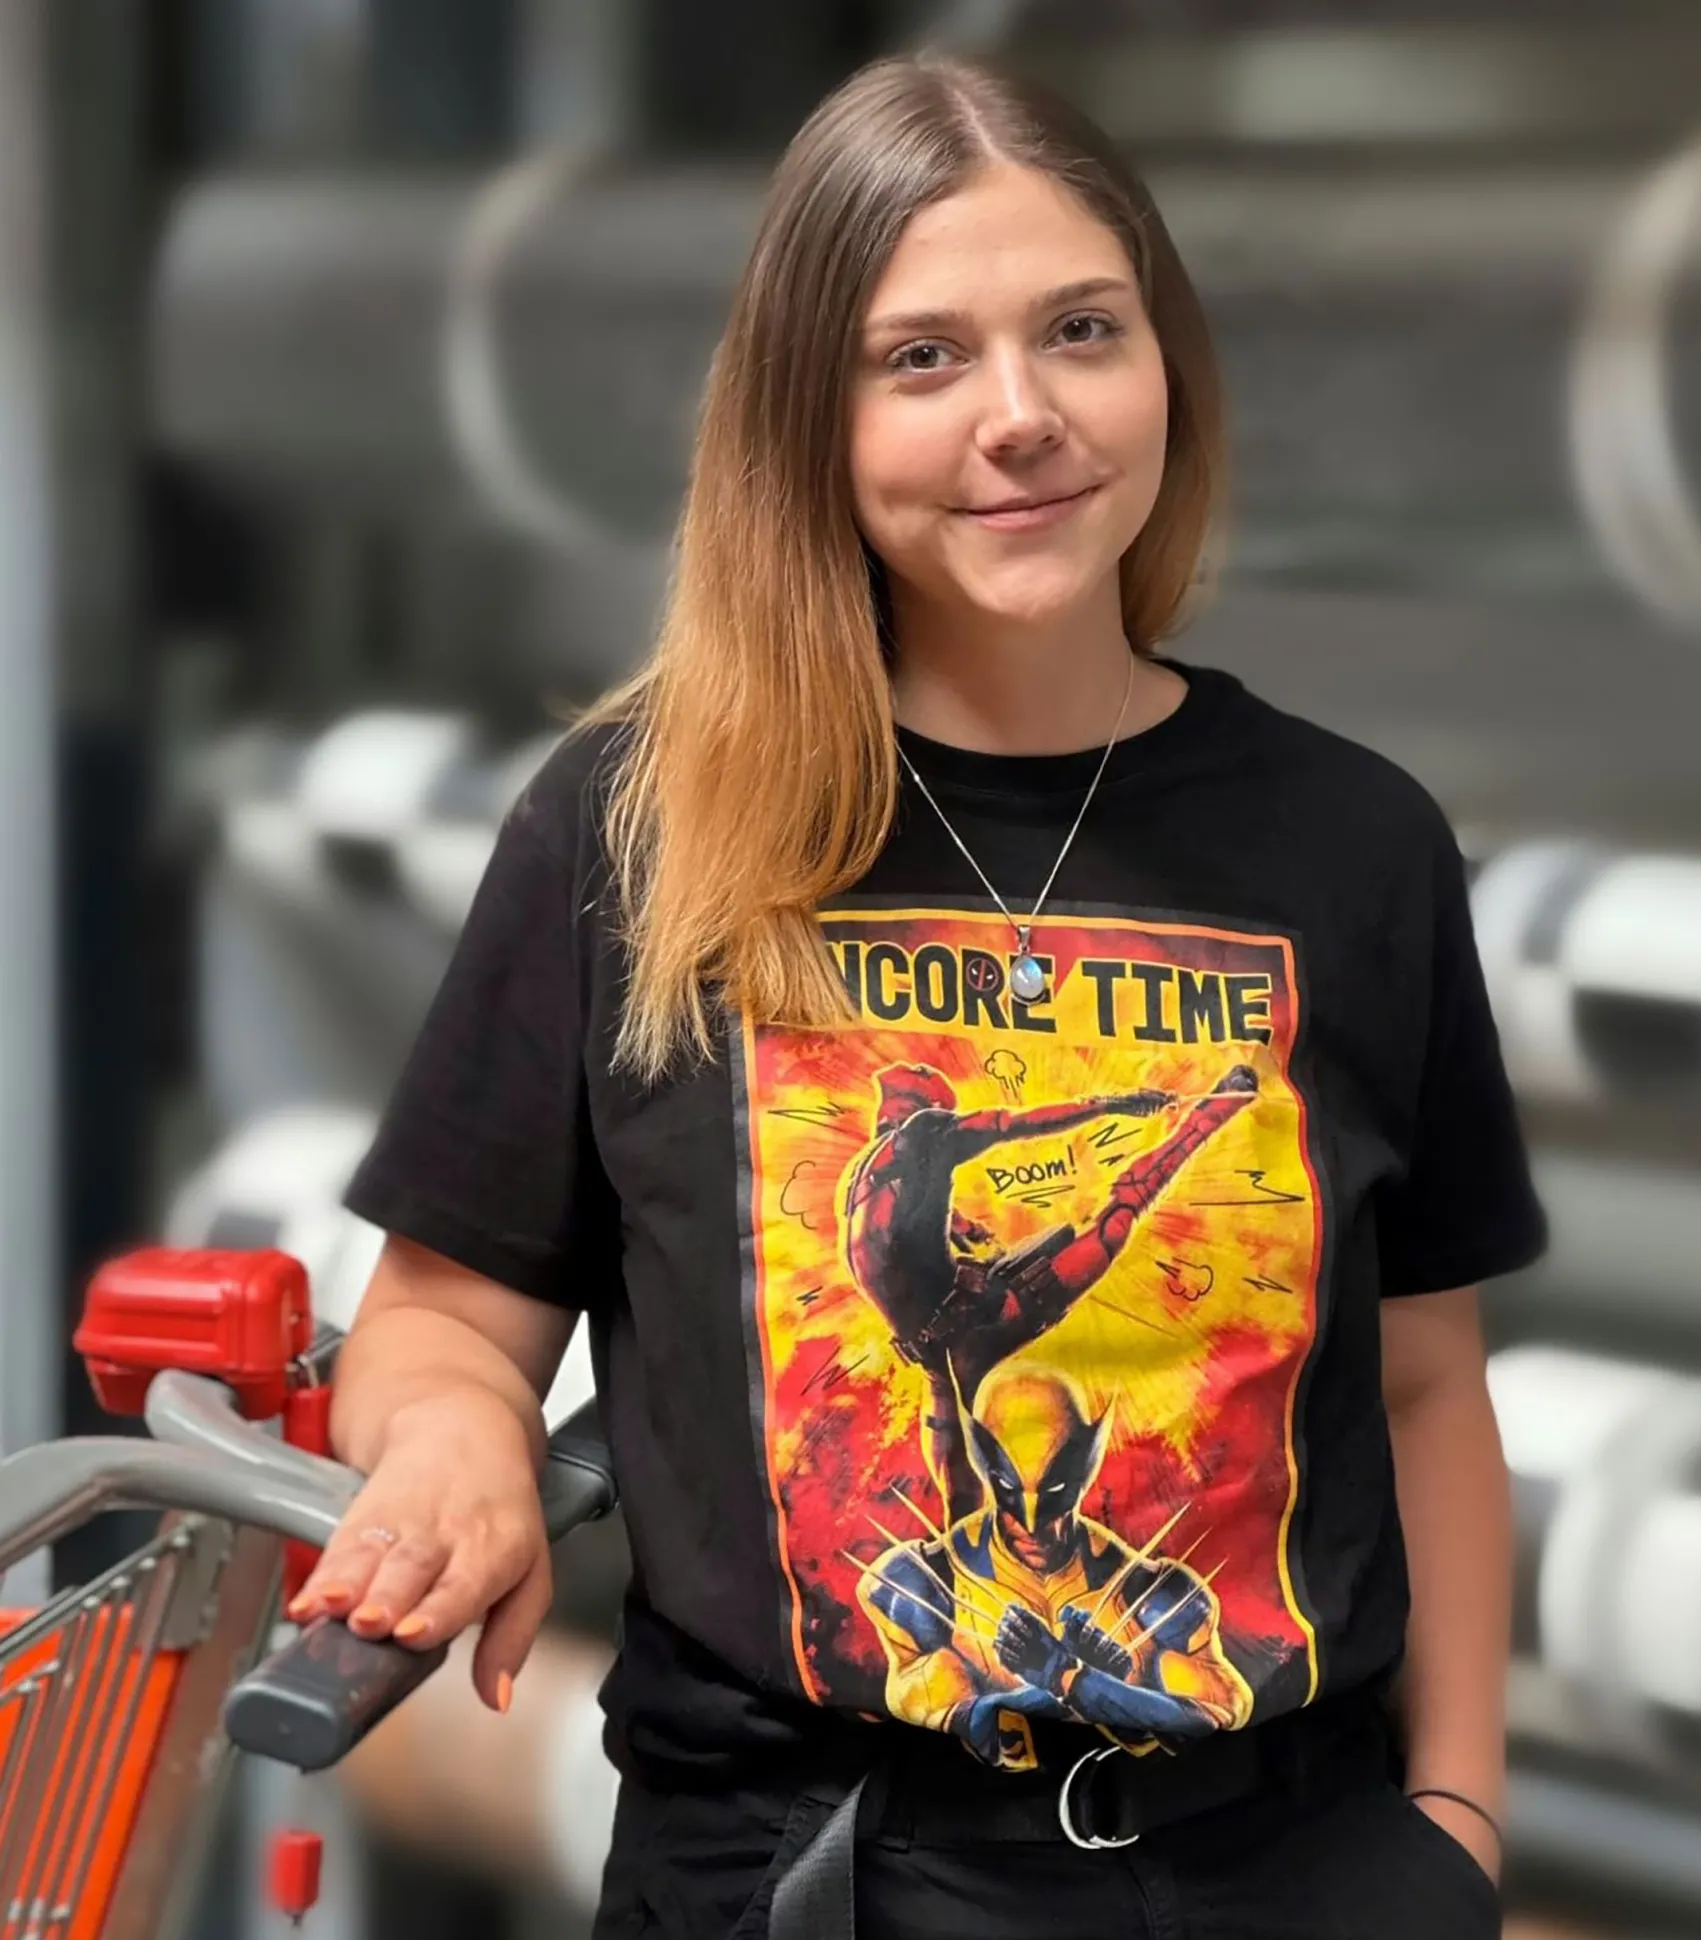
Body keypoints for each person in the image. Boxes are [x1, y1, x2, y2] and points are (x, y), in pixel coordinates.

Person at [296, 50, 1546, 1940]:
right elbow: (439, 1327)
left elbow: (1430, 1381)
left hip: (1287, 1871)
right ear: (811, 417)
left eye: (1082, 330)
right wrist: (457, 1433)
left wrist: (1452, 1821)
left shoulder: (1353, 844)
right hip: (810, 1877)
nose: (1022, 417)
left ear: (1168, 365)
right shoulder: (639, 828)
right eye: (924, 358)